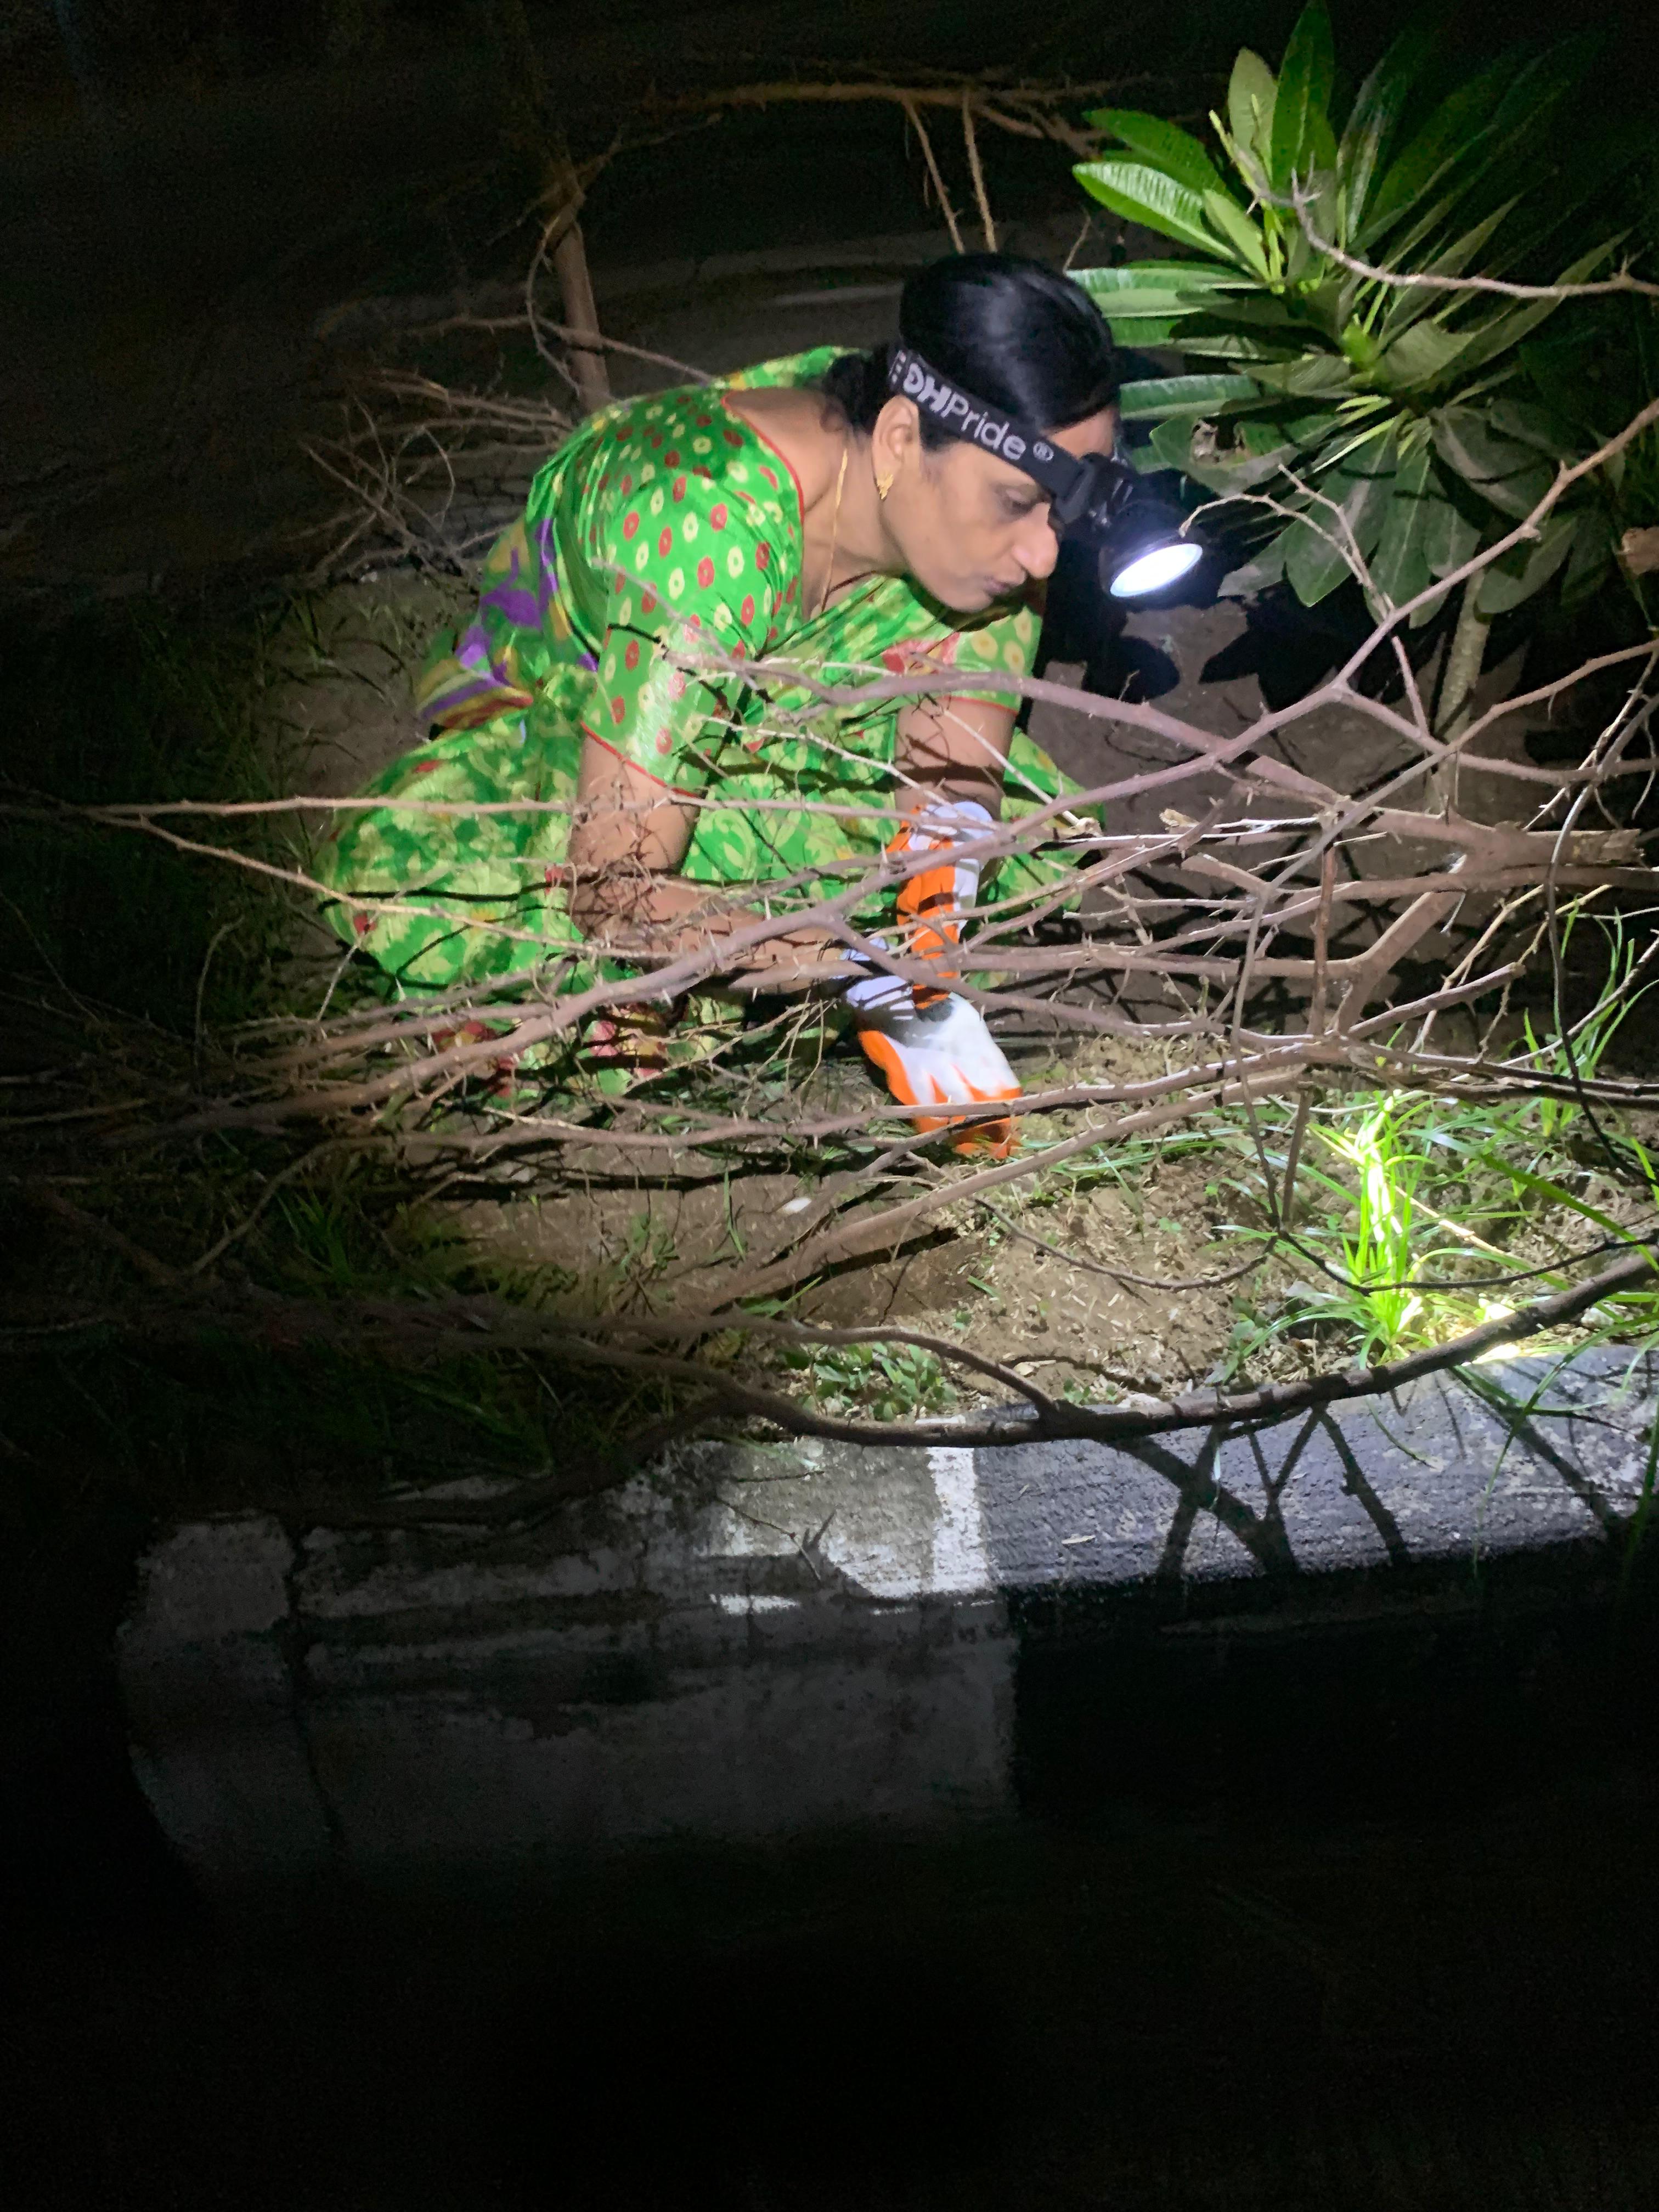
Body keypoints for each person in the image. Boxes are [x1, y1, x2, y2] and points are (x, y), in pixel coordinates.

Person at [314, 252, 1120, 1153]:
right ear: (899, 440)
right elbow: (614, 889)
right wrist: (852, 968)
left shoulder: (965, 532)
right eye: (1015, 503)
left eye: (1059, 516)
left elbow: (953, 779)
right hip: (572, 709)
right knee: (721, 879)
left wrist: (933, 918)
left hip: (765, 684)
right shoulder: (708, 526)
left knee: (956, 847)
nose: (1045, 554)